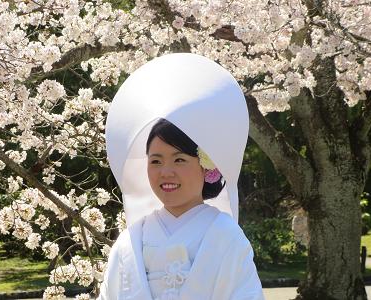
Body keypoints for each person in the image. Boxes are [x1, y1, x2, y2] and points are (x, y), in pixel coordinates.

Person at [99, 53, 264, 300]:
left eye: (179, 160)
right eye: (155, 161)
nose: (166, 171)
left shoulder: (225, 236)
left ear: (206, 167)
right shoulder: (130, 241)